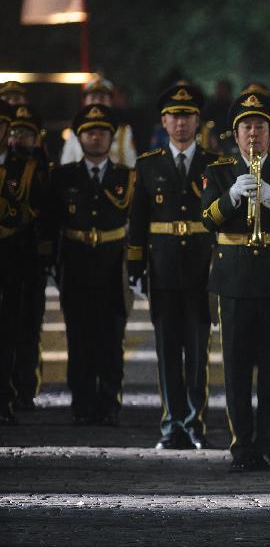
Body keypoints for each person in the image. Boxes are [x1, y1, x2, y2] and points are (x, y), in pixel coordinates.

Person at [200, 89, 270, 471]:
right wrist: (230, 197)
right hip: (234, 279)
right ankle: (242, 446)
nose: (253, 134)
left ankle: (269, 444)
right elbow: (207, 219)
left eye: (260, 127)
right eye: (246, 127)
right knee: (236, 366)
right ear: (235, 133)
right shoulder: (218, 171)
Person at [128, 84, 217, 450]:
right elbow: (138, 220)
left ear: (198, 121)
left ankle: (195, 422)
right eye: (175, 116)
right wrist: (135, 265)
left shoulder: (215, 164)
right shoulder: (148, 165)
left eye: (188, 116)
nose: (181, 123)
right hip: (162, 268)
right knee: (166, 351)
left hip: (202, 268)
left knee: (198, 351)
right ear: (164, 121)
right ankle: (171, 425)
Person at [41, 104, 136, 425]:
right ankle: (82, 403)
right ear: (79, 138)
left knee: (111, 337)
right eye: (89, 132)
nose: (96, 138)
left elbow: (134, 224)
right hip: (76, 260)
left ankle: (109, 403)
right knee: (79, 336)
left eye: (102, 132)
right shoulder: (63, 176)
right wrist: (50, 261)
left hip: (112, 263)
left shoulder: (126, 177)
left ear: (111, 138)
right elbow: (50, 222)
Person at [6, 104, 49, 412]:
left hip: (24, 257)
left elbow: (43, 212)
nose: (18, 138)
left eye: (25, 132)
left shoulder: (35, 166)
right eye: (15, 131)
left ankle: (22, 388)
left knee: (24, 325)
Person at [0, 100, 25, 424]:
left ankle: (5, 395)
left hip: (10, 254)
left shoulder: (23, 166)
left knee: (8, 330)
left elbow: (27, 211)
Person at [60, 74, 137, 167]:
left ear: (111, 101)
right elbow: (66, 167)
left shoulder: (123, 132)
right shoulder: (75, 132)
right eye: (93, 98)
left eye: (102, 98)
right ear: (84, 101)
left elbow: (131, 168)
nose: (97, 102)